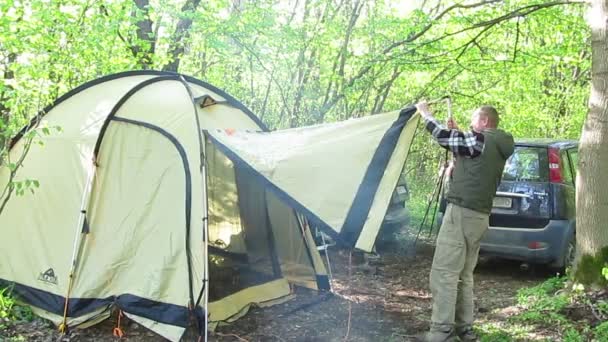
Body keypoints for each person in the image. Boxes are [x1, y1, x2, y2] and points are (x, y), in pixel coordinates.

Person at [414, 102, 515, 342]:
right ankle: (464, 329)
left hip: (461, 213)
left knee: (445, 273)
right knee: (464, 275)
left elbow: (442, 136)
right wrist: (460, 132)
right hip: (479, 217)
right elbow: (472, 154)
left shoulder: (480, 140)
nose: (472, 124)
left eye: (474, 121)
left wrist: (426, 114)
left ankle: (440, 331)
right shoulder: (498, 144)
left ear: (485, 122)